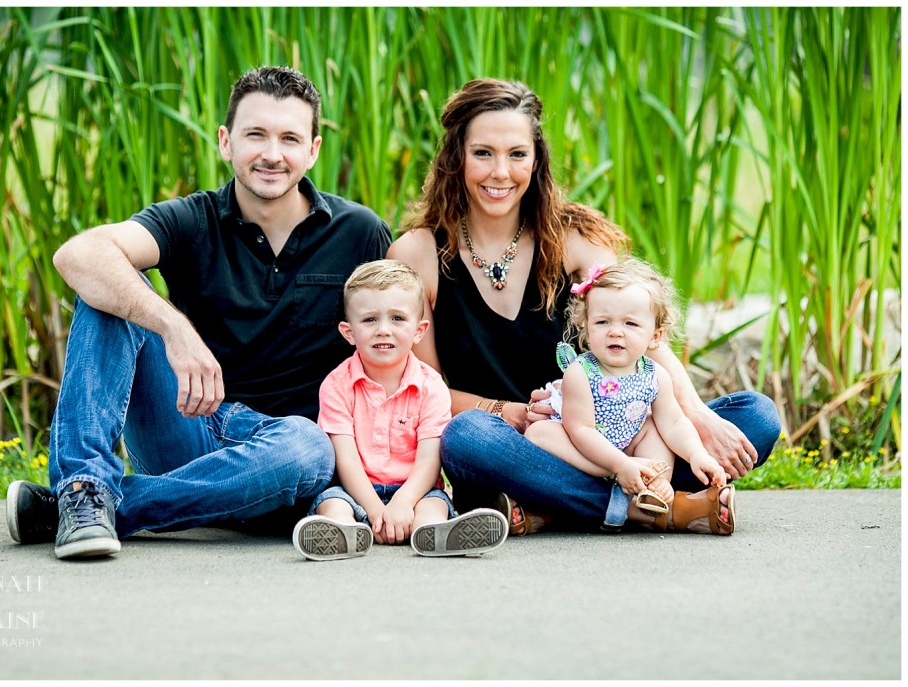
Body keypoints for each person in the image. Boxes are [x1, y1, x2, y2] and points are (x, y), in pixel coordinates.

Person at [5, 66, 392, 560]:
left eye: (290, 138)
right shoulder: (192, 218)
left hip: (284, 454)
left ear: (313, 150)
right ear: (226, 141)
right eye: (256, 135)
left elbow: (394, 341)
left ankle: (92, 506)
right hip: (189, 420)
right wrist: (173, 328)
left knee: (308, 444)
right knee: (112, 289)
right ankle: (83, 487)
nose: (272, 154)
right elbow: (77, 255)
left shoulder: (359, 231)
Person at [387, 77, 780, 535]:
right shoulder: (417, 254)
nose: (500, 172)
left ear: (537, 161)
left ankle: (553, 507)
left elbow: (643, 338)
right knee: (464, 438)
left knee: (756, 416)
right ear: (456, 158)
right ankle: (657, 507)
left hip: (618, 433)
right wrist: (506, 411)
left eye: (517, 154)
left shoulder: (573, 240)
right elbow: (426, 390)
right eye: (483, 153)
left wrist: (696, 415)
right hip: (519, 446)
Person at [292, 260, 508, 560]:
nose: (383, 330)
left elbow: (429, 459)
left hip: (415, 492)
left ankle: (433, 532)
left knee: (434, 504)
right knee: (332, 503)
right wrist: (374, 509)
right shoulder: (337, 385)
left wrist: (404, 503)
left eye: (397, 318)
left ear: (419, 330)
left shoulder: (431, 386)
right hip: (356, 491)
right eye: (369, 320)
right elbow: (346, 458)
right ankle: (343, 531)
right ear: (348, 332)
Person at [525, 258, 734, 534]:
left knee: (655, 427)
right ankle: (623, 482)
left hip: (630, 439)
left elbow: (674, 423)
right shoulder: (581, 372)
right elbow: (581, 431)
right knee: (539, 433)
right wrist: (619, 465)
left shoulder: (655, 374)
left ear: (655, 336)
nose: (615, 331)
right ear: (586, 328)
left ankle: (654, 483)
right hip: (585, 451)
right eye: (602, 321)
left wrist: (696, 454)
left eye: (631, 324)